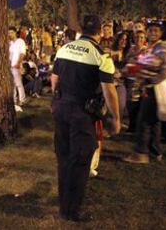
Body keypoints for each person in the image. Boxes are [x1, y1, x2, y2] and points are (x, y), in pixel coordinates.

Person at [51, 15, 120, 222]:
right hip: (82, 113)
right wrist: (116, 118)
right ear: (99, 32)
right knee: (80, 161)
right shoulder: (101, 55)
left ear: (82, 29)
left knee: (64, 158)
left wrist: (56, 103)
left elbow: (54, 80)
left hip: (61, 108)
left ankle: (64, 202)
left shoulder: (64, 49)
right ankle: (71, 211)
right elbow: (109, 91)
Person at [123, 20, 166, 164]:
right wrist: (134, 68)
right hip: (149, 87)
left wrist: (148, 80)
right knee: (154, 122)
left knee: (144, 121)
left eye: (156, 31)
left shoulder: (164, 47)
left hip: (154, 88)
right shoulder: (154, 47)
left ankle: (141, 153)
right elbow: (144, 64)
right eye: (150, 30)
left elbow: (163, 69)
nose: (152, 33)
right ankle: (155, 151)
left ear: (162, 33)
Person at [9, 26, 27, 106]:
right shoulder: (10, 43)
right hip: (10, 66)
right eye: (9, 33)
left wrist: (18, 63)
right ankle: (14, 100)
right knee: (12, 84)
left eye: (11, 32)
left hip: (17, 66)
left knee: (18, 83)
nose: (10, 34)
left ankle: (22, 100)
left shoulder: (20, 41)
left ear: (15, 33)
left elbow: (22, 53)